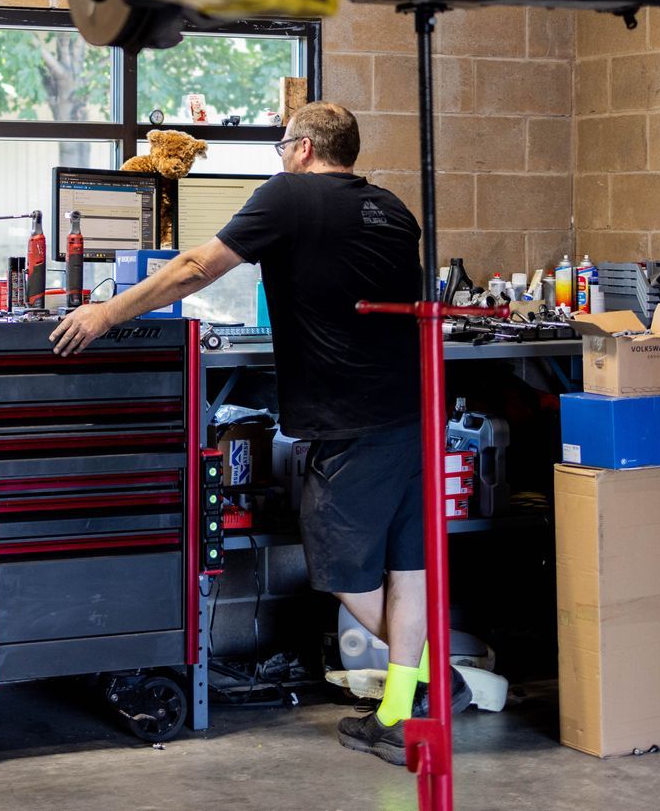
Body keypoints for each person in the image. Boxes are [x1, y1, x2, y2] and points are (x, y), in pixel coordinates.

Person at [50, 101, 468, 763]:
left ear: (303, 149)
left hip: (354, 421)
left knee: (339, 569)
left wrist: (107, 313)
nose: (281, 156)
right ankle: (401, 712)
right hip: (418, 407)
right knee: (406, 566)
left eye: (281, 146)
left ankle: (432, 678)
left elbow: (197, 267)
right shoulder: (391, 208)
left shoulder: (290, 193)